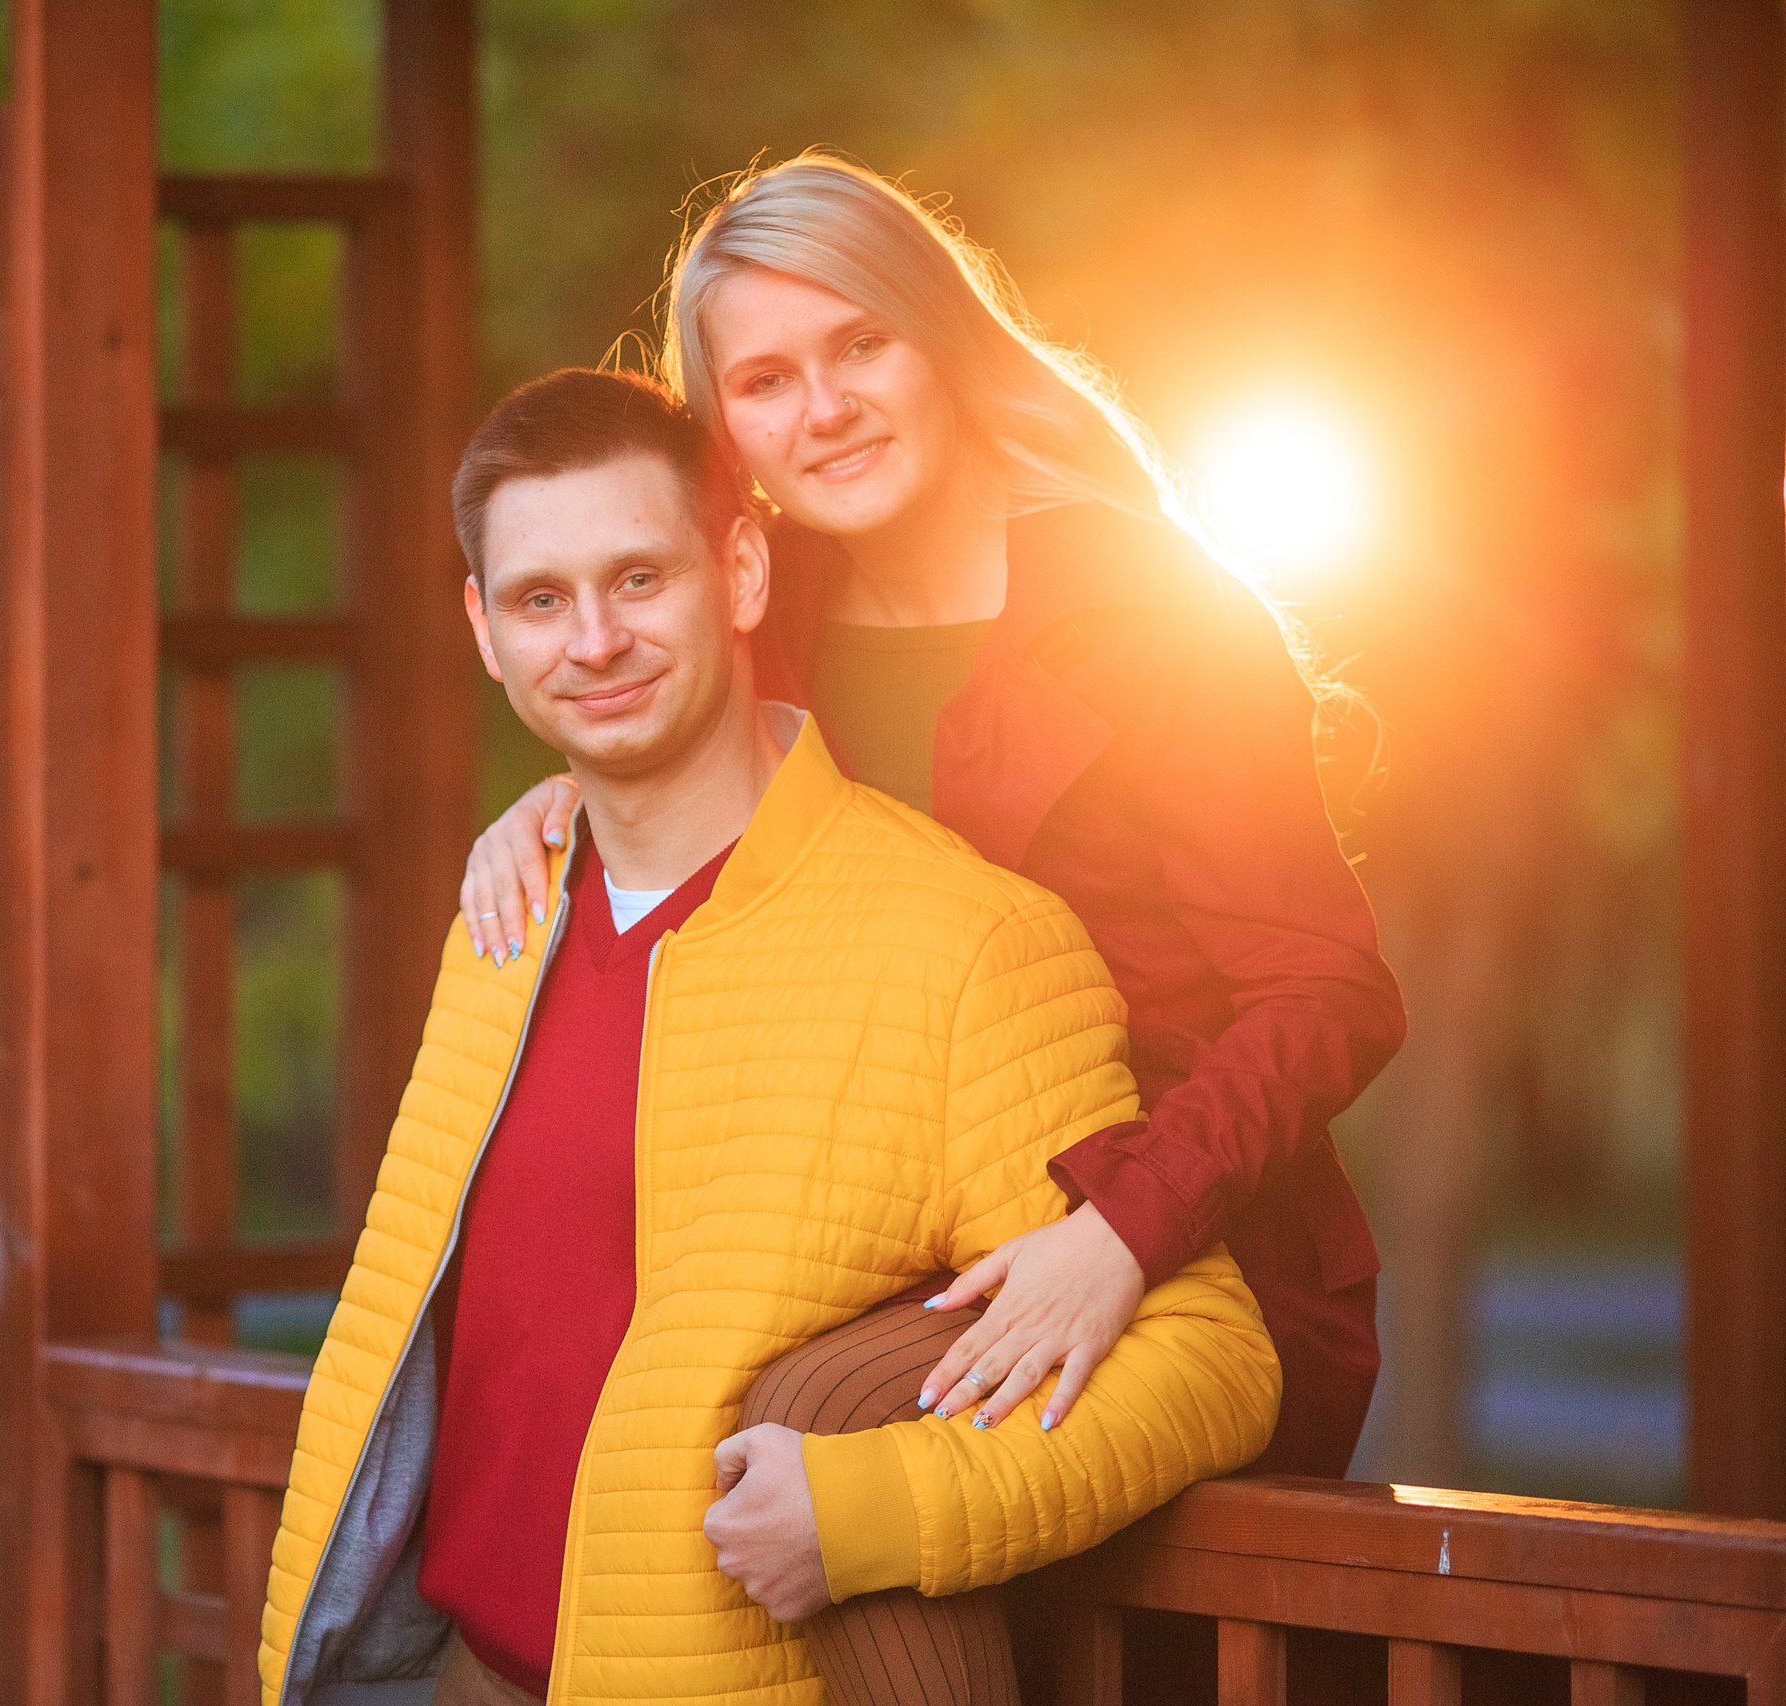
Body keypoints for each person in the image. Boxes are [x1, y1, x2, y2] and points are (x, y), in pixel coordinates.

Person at [259, 368, 1279, 1706]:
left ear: (740, 574)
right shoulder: (507, 911)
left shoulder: (960, 943)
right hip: (467, 1673)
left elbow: (1208, 1358)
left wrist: (879, 1508)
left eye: (639, 579)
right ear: (485, 631)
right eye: (541, 599)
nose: (595, 641)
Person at [456, 156, 1405, 1479]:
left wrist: (1119, 1231)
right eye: (766, 381)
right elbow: (651, 723)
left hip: (1169, 1240)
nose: (825, 409)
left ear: (941, 339)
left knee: (791, 1430)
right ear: (724, 434)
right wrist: (560, 797)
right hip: (889, 1234)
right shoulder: (766, 610)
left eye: (862, 344)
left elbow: (1328, 991)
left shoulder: (1151, 607)